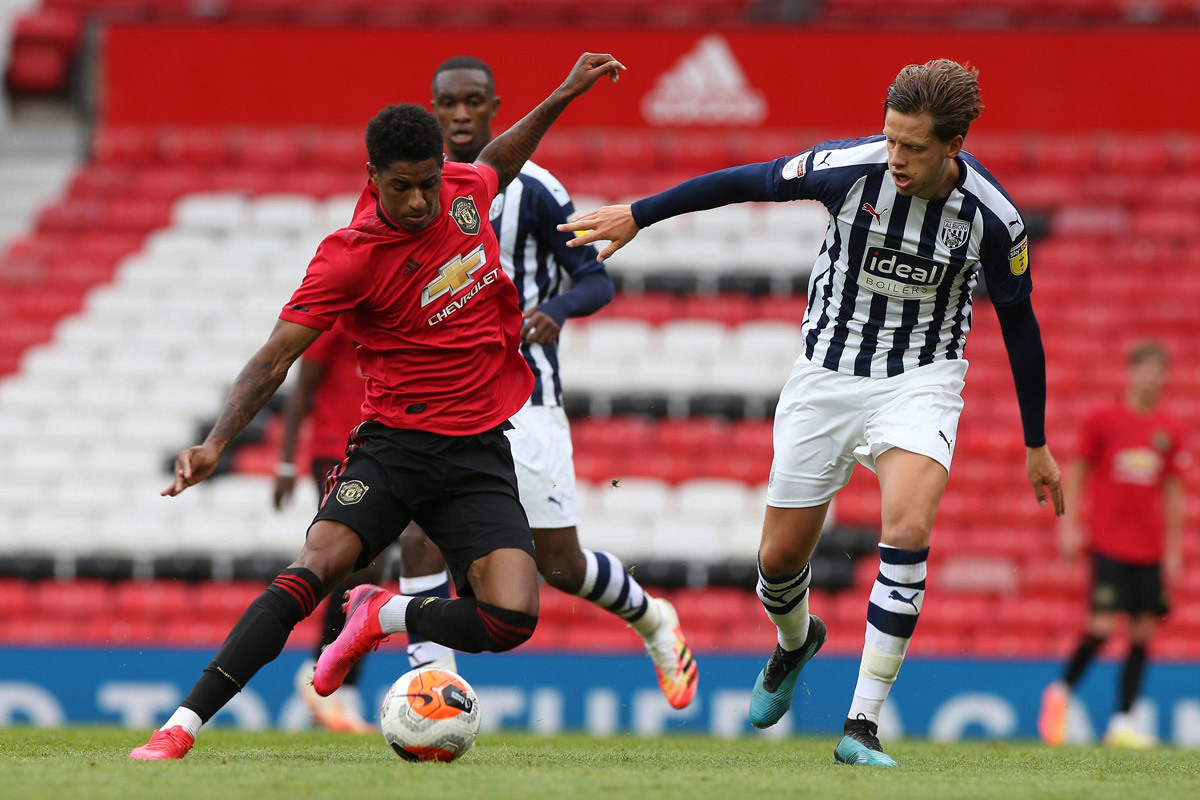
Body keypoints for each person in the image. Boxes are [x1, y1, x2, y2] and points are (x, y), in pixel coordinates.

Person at [560, 59, 1065, 766]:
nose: (895, 158)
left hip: (920, 380)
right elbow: (747, 181)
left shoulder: (992, 218)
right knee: (777, 560)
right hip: (824, 377)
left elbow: (1020, 324)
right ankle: (796, 643)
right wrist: (639, 214)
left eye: (913, 148)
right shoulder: (850, 171)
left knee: (910, 525)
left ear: (954, 145)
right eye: (891, 140)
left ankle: (861, 726)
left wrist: (1036, 439)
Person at [129, 52, 626, 760]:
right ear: (373, 180)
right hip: (393, 447)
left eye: (428, 184)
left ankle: (380, 613)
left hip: (479, 448)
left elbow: (498, 161)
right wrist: (216, 443)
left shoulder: (461, 190)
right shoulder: (348, 258)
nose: (421, 202)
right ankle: (181, 725)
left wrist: (564, 94)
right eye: (403, 189)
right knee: (311, 571)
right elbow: (274, 358)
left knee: (513, 620)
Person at [391, 55, 699, 709]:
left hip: (526, 403)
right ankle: (431, 692)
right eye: (450, 103)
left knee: (558, 564)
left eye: (475, 101)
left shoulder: (533, 190)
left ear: (496, 106)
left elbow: (595, 277)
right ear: (434, 108)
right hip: (443, 402)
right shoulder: (413, 190)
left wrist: (555, 311)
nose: (463, 114)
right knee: (417, 535)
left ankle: (654, 620)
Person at [1038, 340, 1188, 749]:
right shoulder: (1103, 419)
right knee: (1102, 627)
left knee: (1142, 633)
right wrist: (1068, 525)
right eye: (1144, 369)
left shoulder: (1169, 429)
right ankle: (1060, 693)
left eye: (1158, 371)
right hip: (1108, 542)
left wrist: (1174, 549)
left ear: (1164, 377)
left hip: (1150, 548)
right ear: (1131, 373)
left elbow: (1174, 491)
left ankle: (1122, 723)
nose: (1150, 378)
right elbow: (1081, 471)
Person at [271, 320, 384, 733]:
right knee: (363, 562)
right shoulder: (338, 322)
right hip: (335, 450)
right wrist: (285, 462)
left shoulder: (392, 314)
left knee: (369, 567)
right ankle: (324, 671)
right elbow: (303, 388)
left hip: (381, 454)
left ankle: (340, 686)